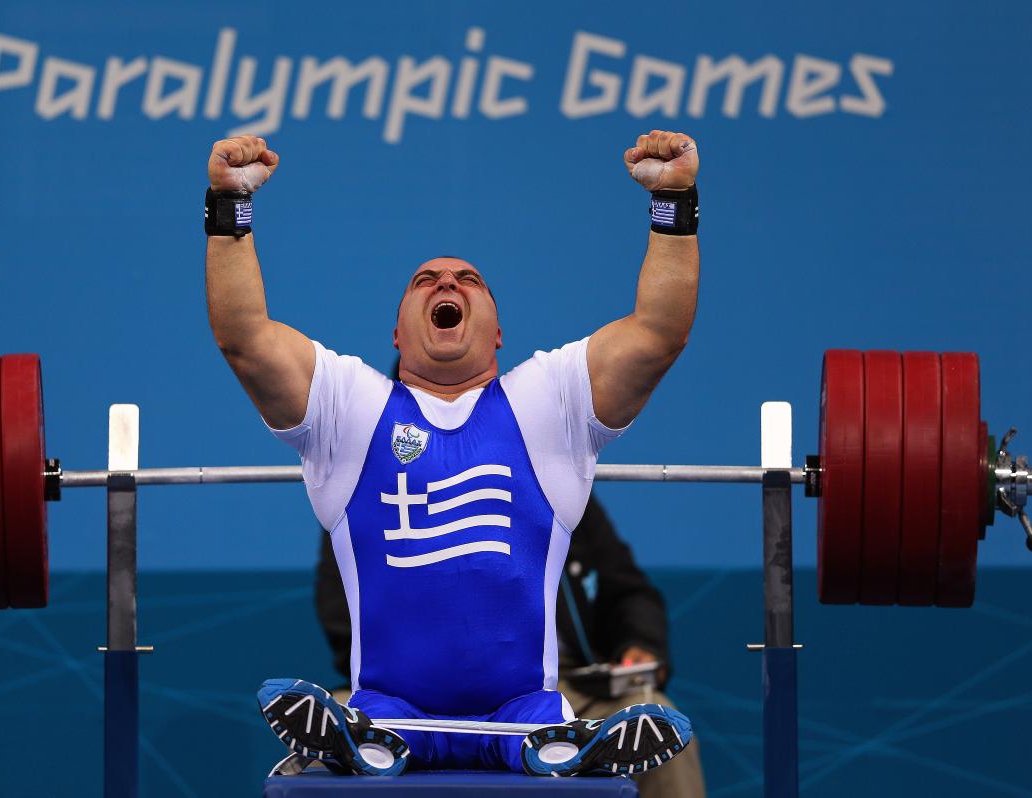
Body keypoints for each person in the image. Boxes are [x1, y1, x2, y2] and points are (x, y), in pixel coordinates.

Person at [204, 129, 701, 777]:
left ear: (497, 332)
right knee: (336, 753)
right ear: (397, 330)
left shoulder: (550, 403)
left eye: (469, 279)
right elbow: (244, 337)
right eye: (426, 281)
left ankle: (556, 746)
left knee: (546, 733)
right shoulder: (348, 408)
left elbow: (659, 333)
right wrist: (227, 207)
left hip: (523, 703)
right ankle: (372, 741)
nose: (448, 283)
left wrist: (674, 203)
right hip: (393, 704)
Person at [315, 495, 707, 796]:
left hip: (558, 686)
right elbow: (341, 613)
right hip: (403, 691)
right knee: (323, 738)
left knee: (656, 724)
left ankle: (564, 739)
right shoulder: (366, 491)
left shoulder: (559, 486)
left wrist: (641, 645)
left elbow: (627, 590)